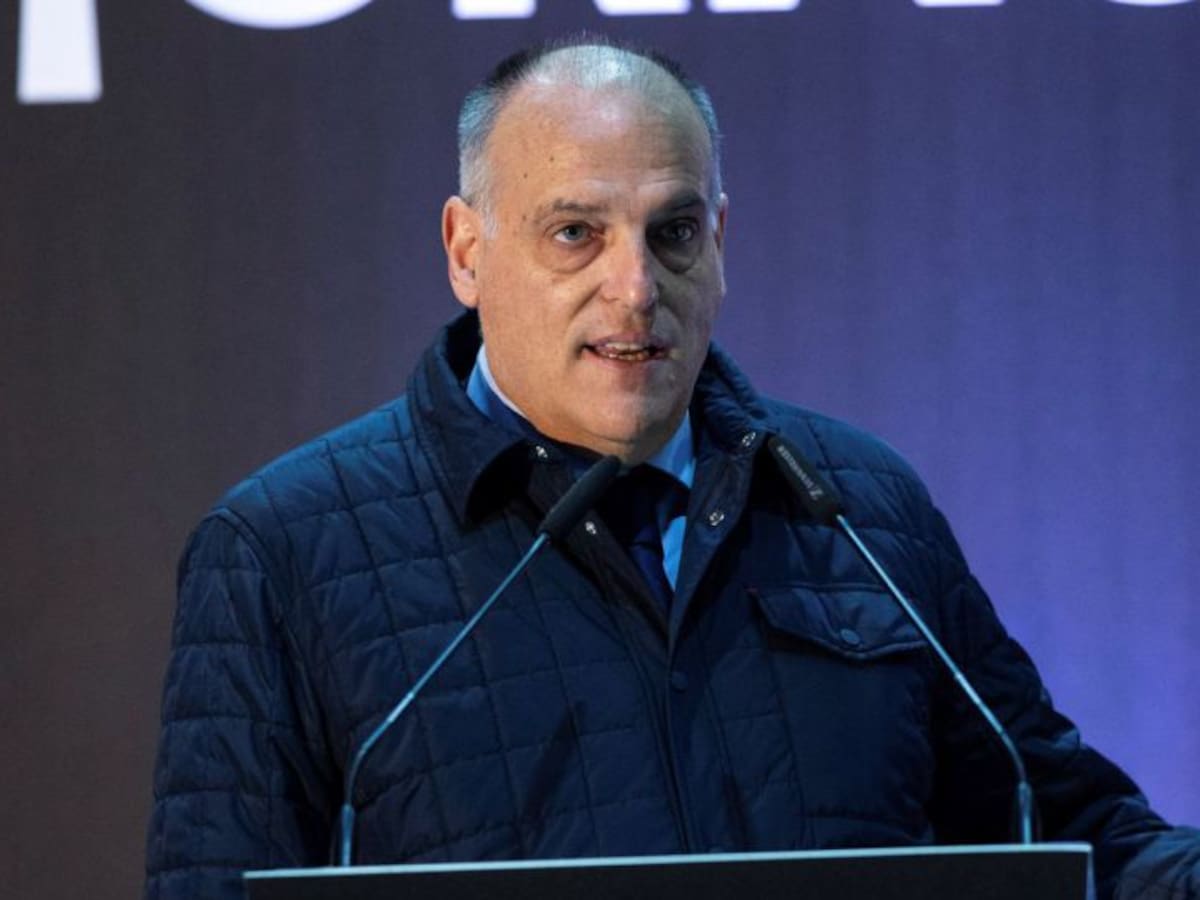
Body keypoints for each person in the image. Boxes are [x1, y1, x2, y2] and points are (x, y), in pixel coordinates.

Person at [143, 36, 1199, 900]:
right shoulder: (285, 551)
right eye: (575, 233)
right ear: (467, 252)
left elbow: (1077, 840)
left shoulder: (859, 506)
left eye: (675, 232)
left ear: (721, 241)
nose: (637, 288)